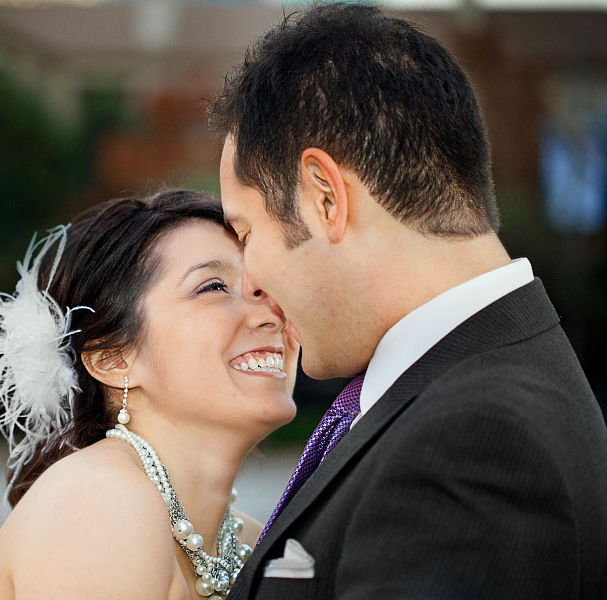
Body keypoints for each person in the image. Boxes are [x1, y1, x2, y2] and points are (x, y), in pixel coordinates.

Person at [209, 4, 607, 599]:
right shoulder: (488, 382)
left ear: (325, 198)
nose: (250, 284)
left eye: (245, 233)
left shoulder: (474, 442)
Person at [0, 189, 300, 599]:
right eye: (214, 286)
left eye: (265, 286)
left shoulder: (252, 544)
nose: (271, 312)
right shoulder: (97, 501)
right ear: (113, 359)